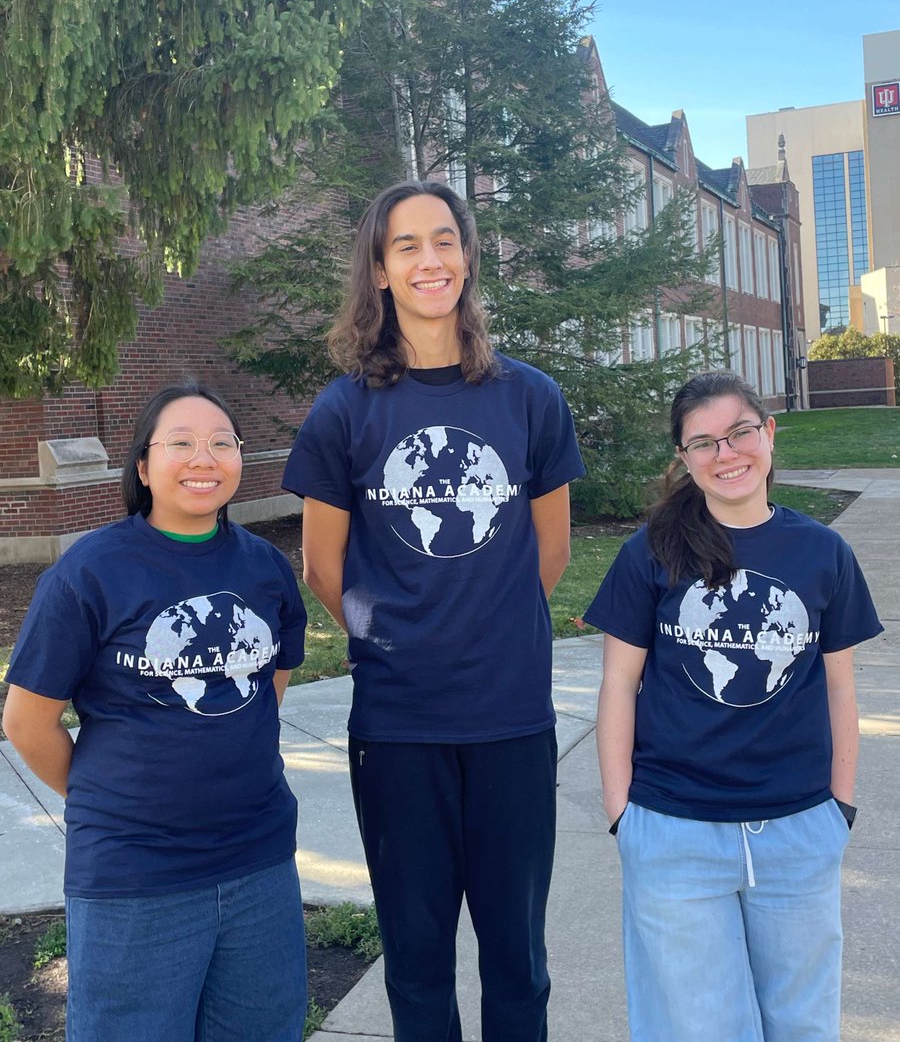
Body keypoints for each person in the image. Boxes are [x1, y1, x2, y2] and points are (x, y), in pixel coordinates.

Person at [282, 180, 585, 1041]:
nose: (430, 260)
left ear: (468, 256)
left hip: (510, 720)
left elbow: (551, 552)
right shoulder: (345, 410)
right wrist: (397, 640)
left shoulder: (529, 397)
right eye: (407, 245)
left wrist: (488, 628)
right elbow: (322, 566)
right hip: (399, 727)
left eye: (445, 240)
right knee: (416, 963)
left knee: (518, 960)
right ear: (379, 270)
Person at [3, 382, 308, 1042]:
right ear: (143, 465)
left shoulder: (264, 568)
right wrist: (115, 800)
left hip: (258, 863)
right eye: (181, 443)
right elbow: (26, 722)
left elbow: (269, 682)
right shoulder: (91, 572)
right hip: (135, 877)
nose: (204, 458)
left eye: (221, 442)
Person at [583, 369, 882, 1042]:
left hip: (798, 828)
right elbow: (618, 684)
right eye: (704, 443)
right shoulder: (650, 553)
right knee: (700, 1029)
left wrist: (838, 807)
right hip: (675, 829)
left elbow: (840, 687)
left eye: (740, 432)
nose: (727, 454)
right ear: (684, 458)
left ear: (768, 433)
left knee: (803, 1026)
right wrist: (622, 814)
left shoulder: (823, 553)